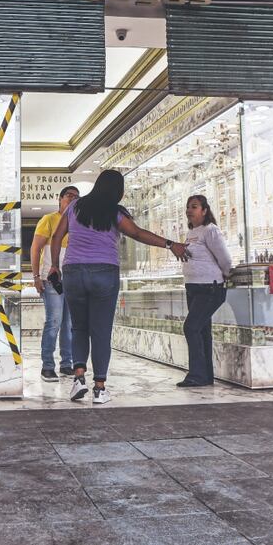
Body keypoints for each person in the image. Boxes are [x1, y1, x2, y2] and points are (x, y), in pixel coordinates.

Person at [47, 169, 189, 404]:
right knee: (100, 331)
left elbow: (57, 236)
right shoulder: (114, 212)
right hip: (104, 272)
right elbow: (136, 233)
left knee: (79, 328)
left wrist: (54, 266)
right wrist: (169, 244)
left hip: (73, 272)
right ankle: (100, 388)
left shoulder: (75, 207)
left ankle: (79, 378)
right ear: (118, 191)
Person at [178, 195, 233, 387]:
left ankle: (196, 375)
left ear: (204, 210)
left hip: (210, 287)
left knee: (190, 327)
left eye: (194, 206)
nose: (189, 210)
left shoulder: (211, 230)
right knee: (201, 330)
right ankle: (206, 375)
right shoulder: (192, 232)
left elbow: (225, 258)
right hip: (192, 286)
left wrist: (226, 275)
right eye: (188, 207)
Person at [30, 185, 79, 381]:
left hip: (73, 279)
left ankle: (66, 364)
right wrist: (35, 277)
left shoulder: (77, 222)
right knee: (54, 322)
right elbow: (35, 248)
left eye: (76, 196)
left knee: (69, 324)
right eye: (69, 195)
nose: (73, 198)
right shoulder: (49, 220)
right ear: (60, 199)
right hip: (52, 279)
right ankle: (47, 366)